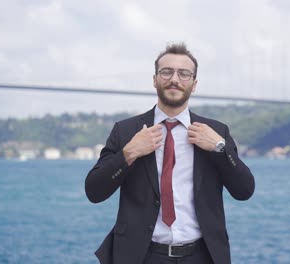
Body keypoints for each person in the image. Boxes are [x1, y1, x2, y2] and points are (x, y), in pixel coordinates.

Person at [85, 42, 255, 264]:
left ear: (194, 84)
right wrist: (128, 153)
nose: (174, 79)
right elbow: (94, 192)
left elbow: (244, 190)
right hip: (141, 257)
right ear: (155, 79)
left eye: (184, 74)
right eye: (166, 72)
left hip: (202, 257)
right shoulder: (126, 131)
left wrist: (219, 148)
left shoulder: (216, 132)